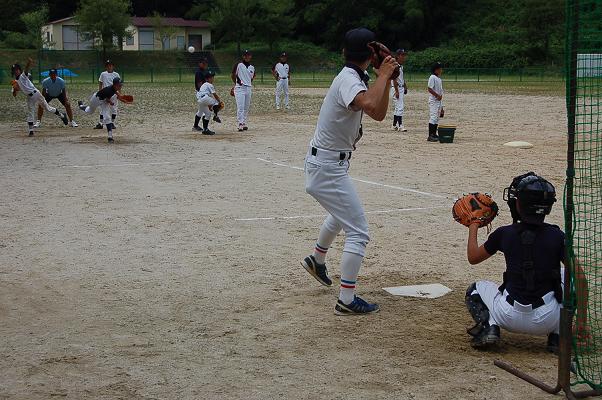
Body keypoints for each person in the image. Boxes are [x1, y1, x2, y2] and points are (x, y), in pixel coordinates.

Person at [301, 28, 399, 315]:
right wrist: (383, 75)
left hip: (331, 164)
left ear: (344, 52)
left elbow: (378, 113)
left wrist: (383, 77)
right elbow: (369, 104)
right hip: (327, 167)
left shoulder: (356, 77)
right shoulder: (348, 80)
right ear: (370, 54)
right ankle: (346, 300)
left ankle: (317, 260)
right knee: (358, 232)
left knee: (340, 214)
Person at [464, 172, 588, 351]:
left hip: (508, 316)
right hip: (548, 318)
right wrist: (582, 323)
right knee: (570, 277)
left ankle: (489, 327)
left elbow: (473, 257)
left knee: (475, 288)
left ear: (519, 204)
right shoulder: (557, 236)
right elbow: (581, 280)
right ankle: (558, 335)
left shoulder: (504, 233)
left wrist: (474, 224)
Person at [11, 59, 68, 136]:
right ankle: (31, 131)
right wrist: (14, 89)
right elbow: (14, 95)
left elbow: (26, 69)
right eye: (14, 70)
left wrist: (29, 62)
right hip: (29, 97)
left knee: (47, 108)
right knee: (30, 112)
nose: (16, 71)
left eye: (17, 69)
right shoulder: (15, 82)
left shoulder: (23, 76)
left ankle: (61, 115)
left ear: (19, 70)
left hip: (36, 93)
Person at [78, 77, 124, 143]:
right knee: (89, 111)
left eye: (121, 85)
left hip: (104, 101)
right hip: (96, 99)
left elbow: (115, 92)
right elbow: (108, 99)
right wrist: (111, 102)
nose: (120, 86)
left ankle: (110, 137)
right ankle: (81, 106)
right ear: (115, 85)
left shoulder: (113, 88)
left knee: (107, 117)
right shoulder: (108, 90)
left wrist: (120, 96)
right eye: (119, 85)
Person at [231, 50, 255, 132]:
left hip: (248, 88)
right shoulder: (238, 65)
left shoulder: (252, 67)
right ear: (243, 56)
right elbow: (233, 75)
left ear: (250, 56)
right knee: (240, 107)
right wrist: (236, 84)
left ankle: (244, 122)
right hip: (240, 88)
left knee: (246, 107)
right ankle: (240, 123)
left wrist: (248, 83)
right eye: (245, 55)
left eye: (248, 55)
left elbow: (251, 78)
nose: (247, 57)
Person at [193, 71, 222, 135]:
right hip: (204, 98)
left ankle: (205, 129)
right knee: (217, 103)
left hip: (200, 100)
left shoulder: (204, 85)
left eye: (212, 77)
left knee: (207, 113)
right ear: (206, 79)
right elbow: (215, 95)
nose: (212, 79)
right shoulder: (209, 85)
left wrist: (210, 106)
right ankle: (216, 116)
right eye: (210, 77)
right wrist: (219, 101)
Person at [95, 60, 120, 129]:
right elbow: (100, 82)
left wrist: (119, 94)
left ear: (113, 66)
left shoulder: (116, 74)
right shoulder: (103, 74)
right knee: (102, 109)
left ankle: (112, 123)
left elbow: (119, 85)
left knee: (114, 109)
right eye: (107, 65)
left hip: (114, 94)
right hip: (105, 94)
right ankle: (101, 123)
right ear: (106, 67)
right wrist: (100, 91)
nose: (109, 66)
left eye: (110, 65)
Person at [427, 62, 444, 142]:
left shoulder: (439, 79)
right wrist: (437, 96)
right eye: (440, 69)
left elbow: (441, 93)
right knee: (433, 117)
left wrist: (442, 107)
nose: (441, 70)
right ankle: (430, 135)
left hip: (438, 102)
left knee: (437, 118)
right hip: (433, 101)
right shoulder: (432, 77)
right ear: (436, 70)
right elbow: (429, 89)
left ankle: (434, 134)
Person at [391, 49, 407, 132]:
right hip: (396, 88)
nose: (404, 57)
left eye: (404, 55)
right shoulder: (396, 66)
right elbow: (394, 78)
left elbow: (401, 78)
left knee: (397, 108)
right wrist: (397, 91)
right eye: (402, 55)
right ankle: (400, 125)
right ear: (398, 56)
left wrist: (405, 86)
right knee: (400, 107)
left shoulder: (400, 66)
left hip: (400, 87)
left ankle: (394, 125)